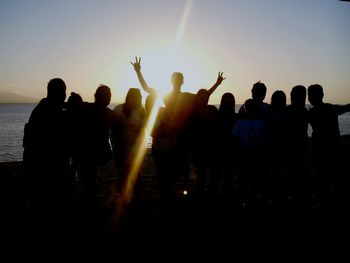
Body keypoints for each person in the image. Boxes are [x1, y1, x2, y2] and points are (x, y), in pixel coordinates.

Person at [131, 56, 225, 192]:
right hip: (170, 134)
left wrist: (217, 84)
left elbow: (204, 96)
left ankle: (184, 187)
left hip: (184, 135)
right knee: (168, 166)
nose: (177, 82)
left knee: (184, 164)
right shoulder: (165, 95)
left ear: (183, 82)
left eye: (180, 80)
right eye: (175, 79)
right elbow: (147, 88)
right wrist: (138, 71)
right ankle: (167, 188)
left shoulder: (187, 96)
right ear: (171, 81)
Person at [23, 78, 71, 236]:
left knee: (45, 203)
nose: (64, 94)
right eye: (62, 91)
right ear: (55, 92)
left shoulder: (44, 108)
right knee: (46, 203)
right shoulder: (49, 112)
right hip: (46, 166)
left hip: (42, 165)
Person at [307, 84, 350, 208]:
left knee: (322, 175)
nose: (309, 98)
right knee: (337, 173)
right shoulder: (331, 108)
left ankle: (324, 199)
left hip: (319, 148)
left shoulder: (311, 113)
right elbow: (347, 107)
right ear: (322, 95)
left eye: (310, 95)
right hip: (334, 147)